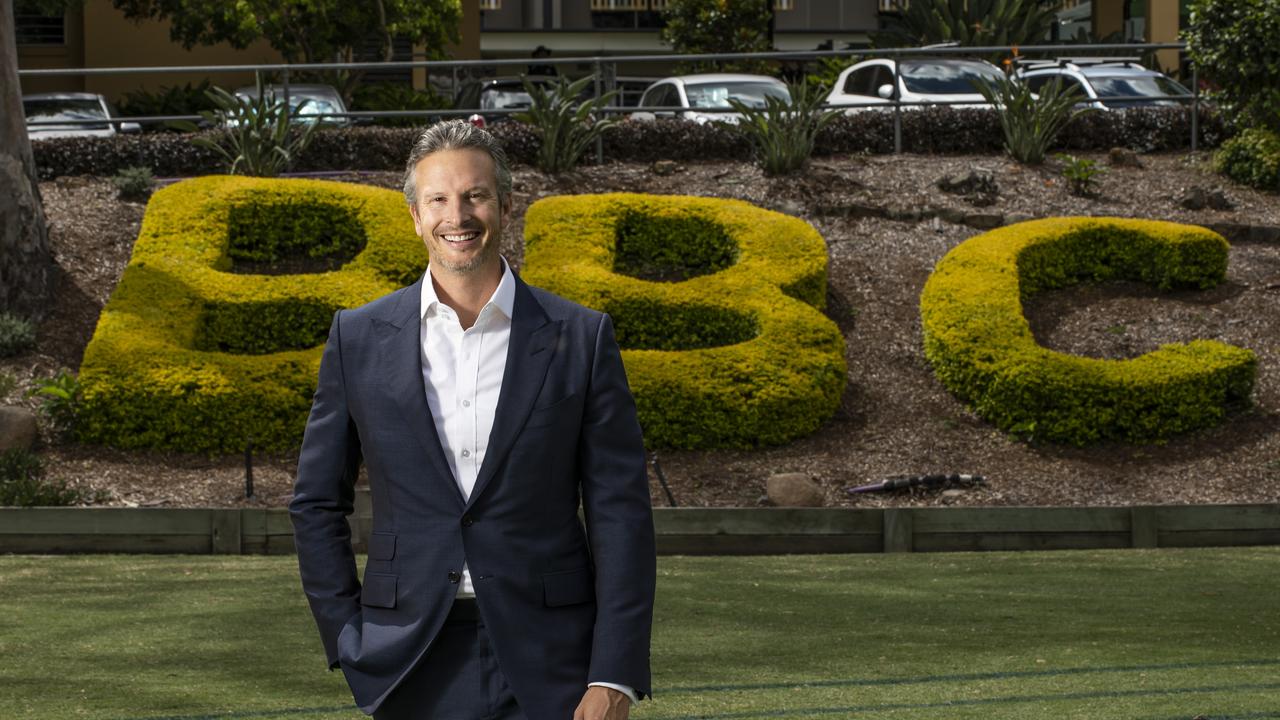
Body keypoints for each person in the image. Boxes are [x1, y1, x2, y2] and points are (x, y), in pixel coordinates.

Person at [290, 119, 656, 720]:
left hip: (554, 660)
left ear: (505, 206)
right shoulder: (357, 337)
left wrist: (614, 672)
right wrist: (345, 637)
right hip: (407, 657)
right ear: (414, 213)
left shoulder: (581, 337)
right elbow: (315, 502)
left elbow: (621, 512)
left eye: (475, 195)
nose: (456, 216)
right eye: (438, 198)